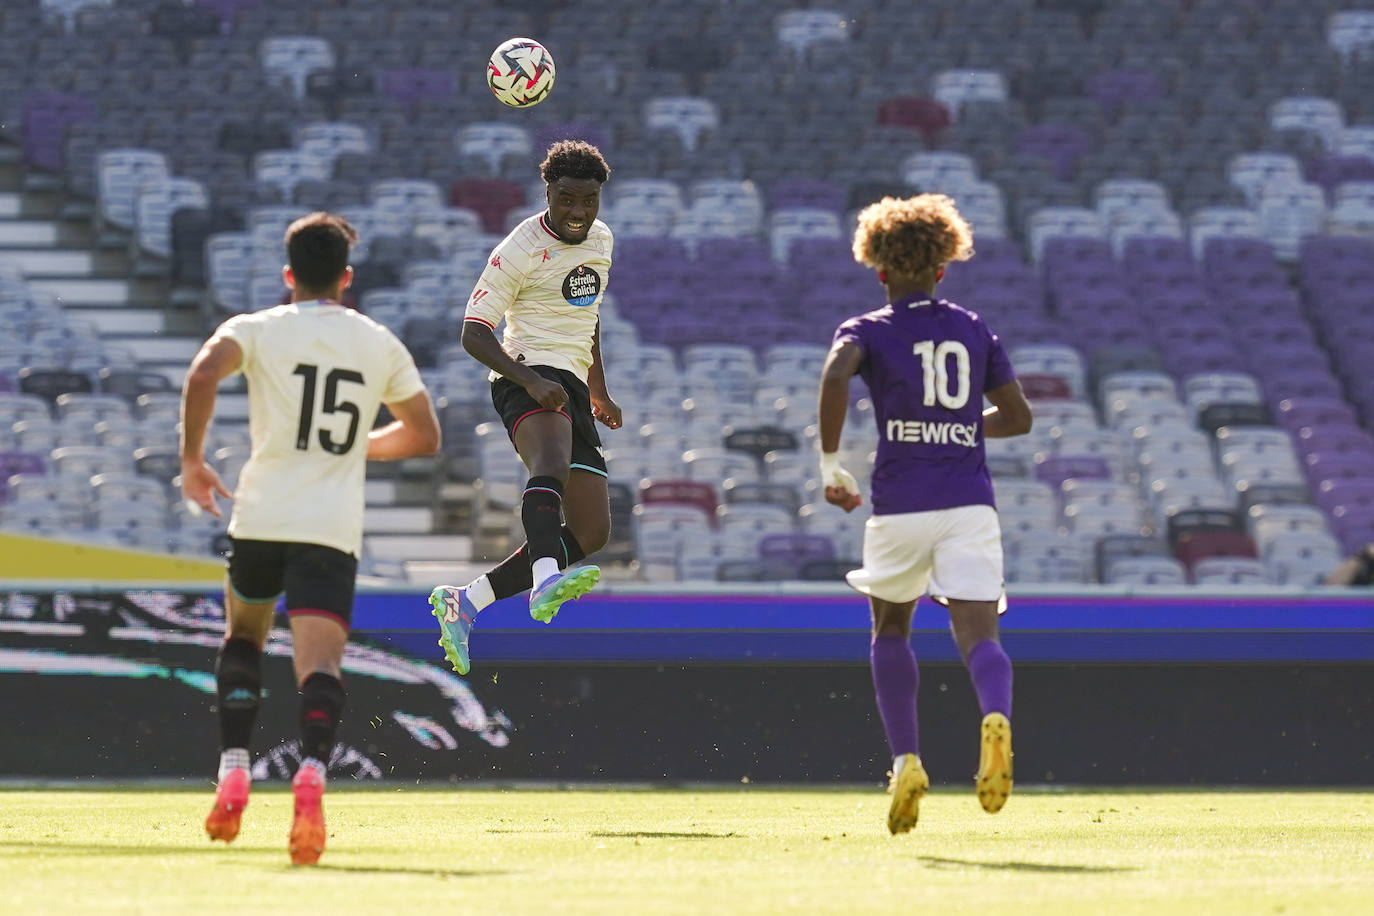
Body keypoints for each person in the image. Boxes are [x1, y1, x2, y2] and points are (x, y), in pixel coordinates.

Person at [182, 212, 440, 865]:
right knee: (319, 668)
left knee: (243, 638)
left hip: (262, 517)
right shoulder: (378, 343)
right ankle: (311, 778)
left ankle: (234, 768)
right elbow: (423, 436)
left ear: (288, 275)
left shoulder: (258, 329)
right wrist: (357, 444)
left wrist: (192, 460)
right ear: (346, 279)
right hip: (329, 530)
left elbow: (204, 373)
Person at [816, 194, 1033, 835]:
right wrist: (962, 422)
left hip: (900, 505)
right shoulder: (973, 328)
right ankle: (995, 718)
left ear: (879, 269)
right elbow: (1019, 418)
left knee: (890, 631)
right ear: (943, 266)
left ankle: (907, 761)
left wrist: (831, 466)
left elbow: (835, 376)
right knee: (979, 636)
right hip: (969, 503)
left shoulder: (867, 329)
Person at [429, 140, 620, 676]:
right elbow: (474, 332)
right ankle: (543, 581)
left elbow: (589, 311)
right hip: (523, 374)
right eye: (567, 199)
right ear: (548, 194)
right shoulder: (518, 248)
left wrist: (597, 387)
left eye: (589, 199)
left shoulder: (601, 240)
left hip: (571, 385)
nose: (579, 211)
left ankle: (466, 602)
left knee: (592, 531)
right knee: (551, 465)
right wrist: (531, 380)